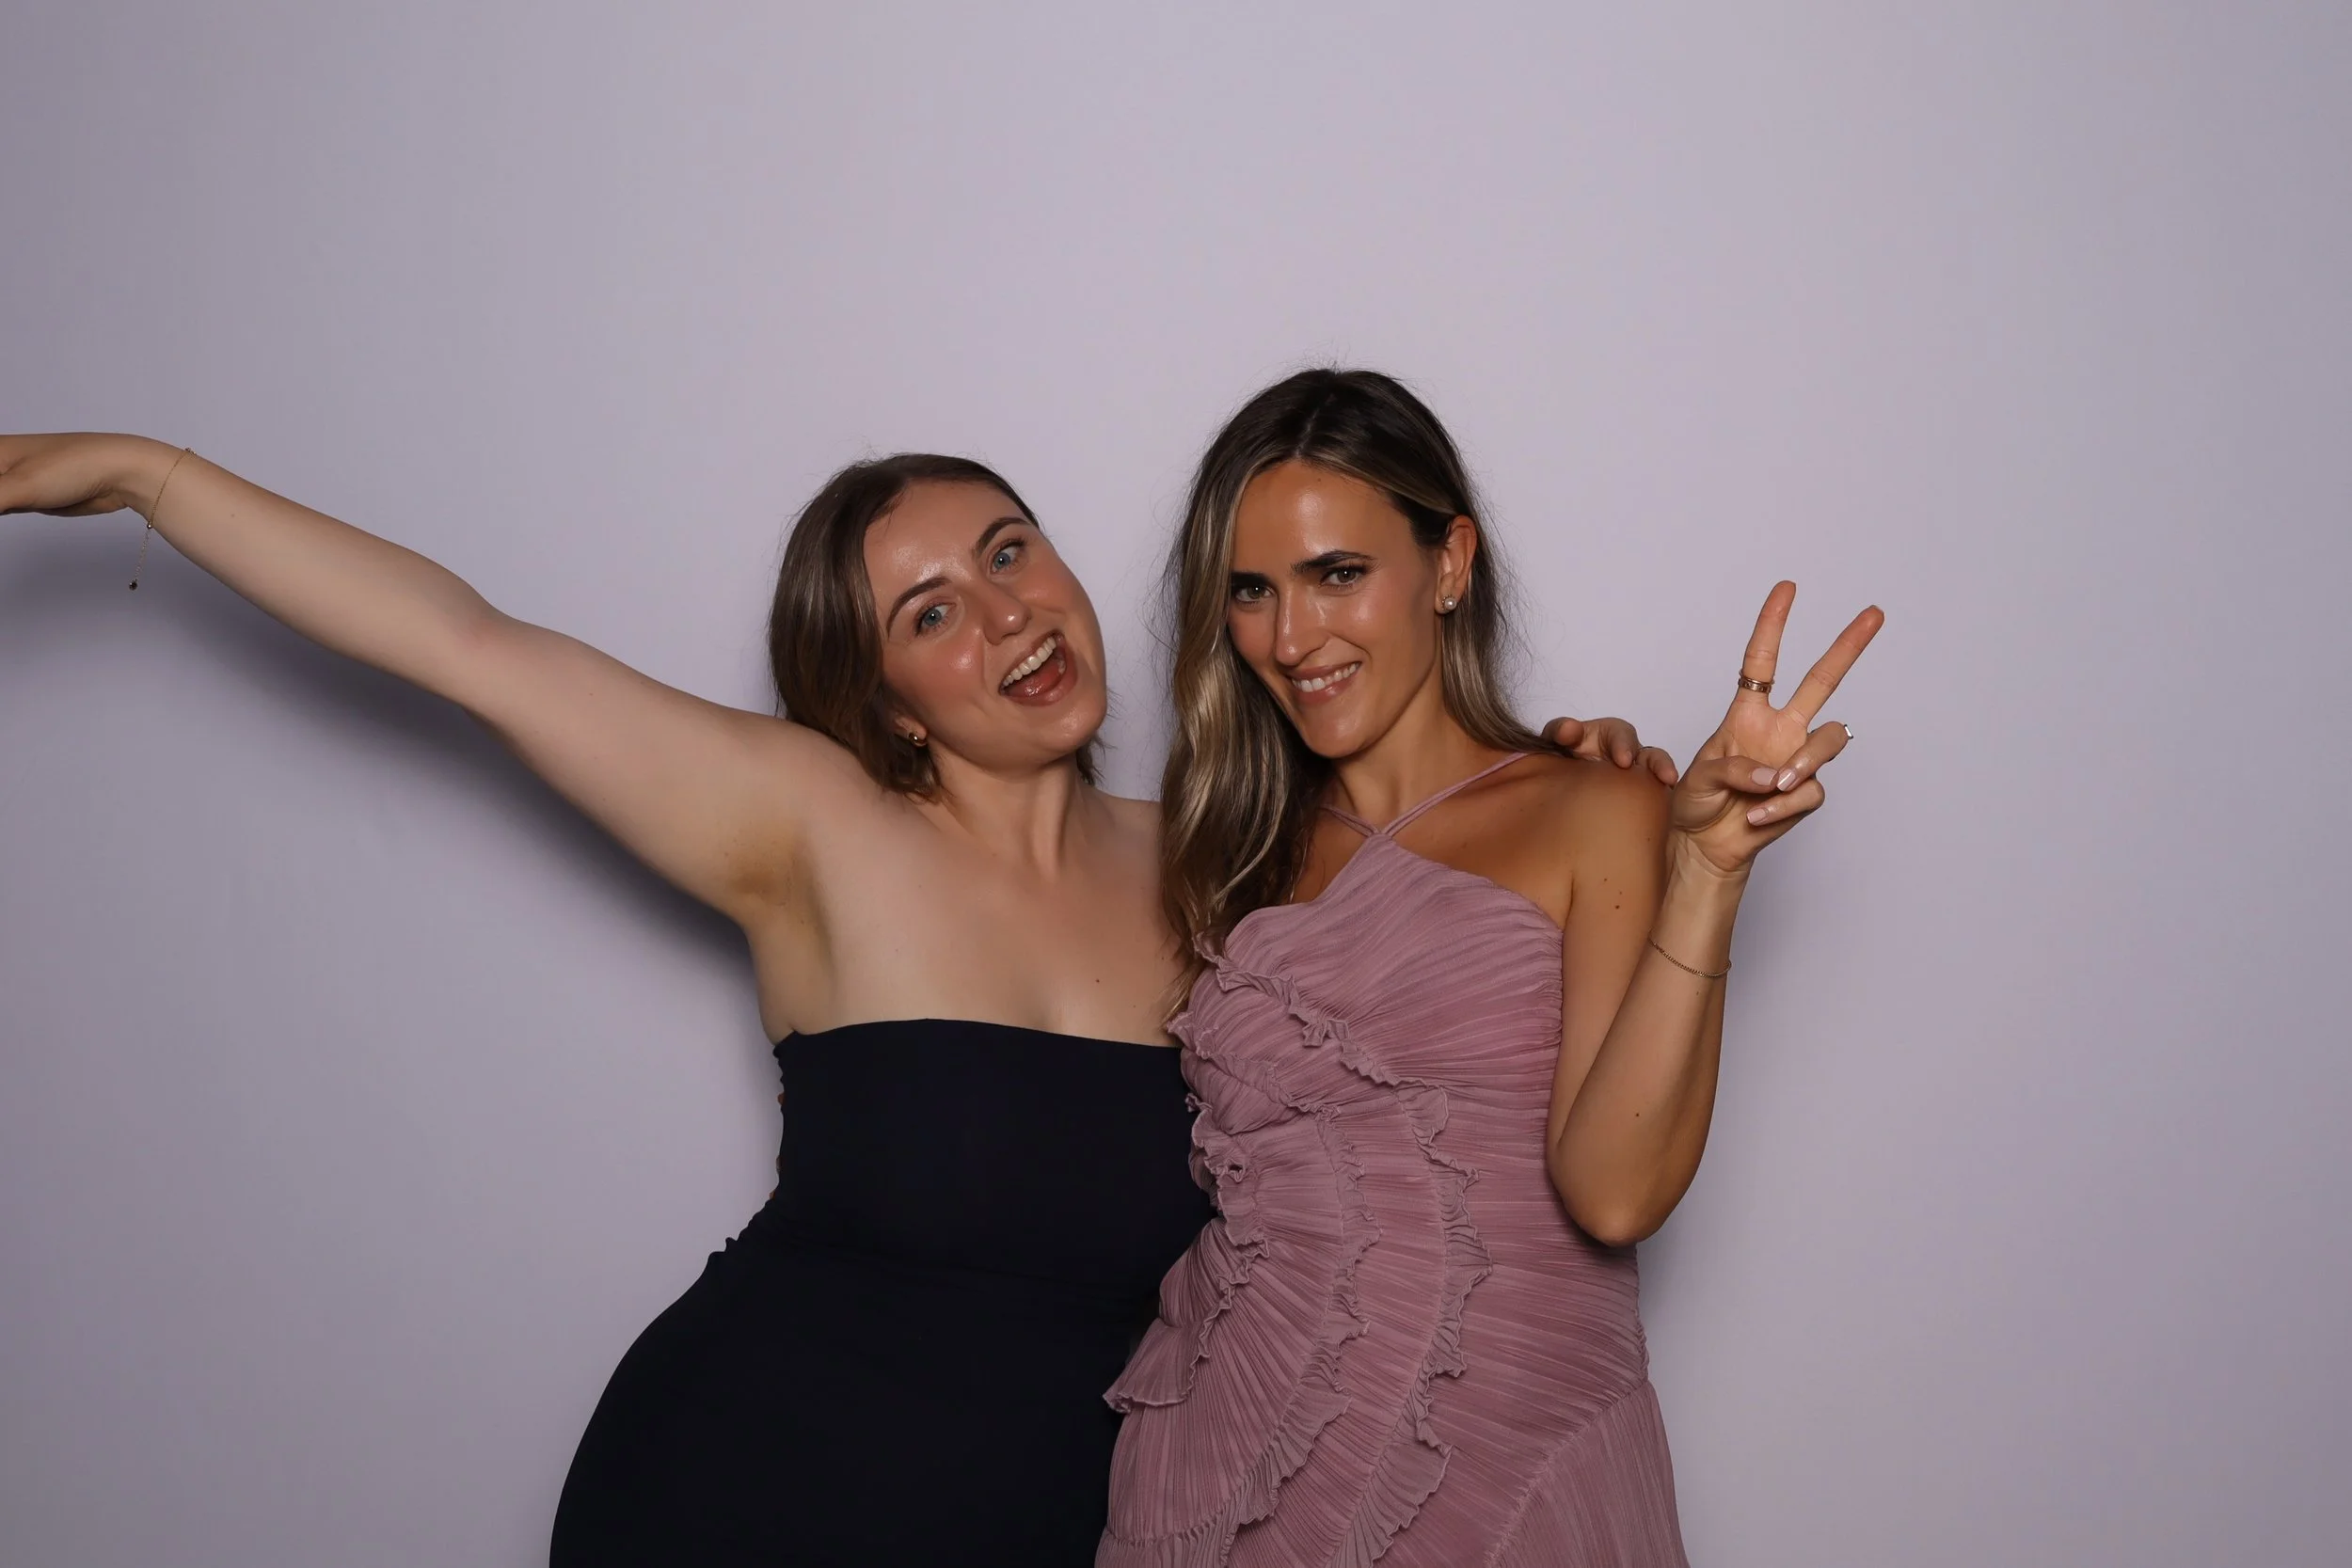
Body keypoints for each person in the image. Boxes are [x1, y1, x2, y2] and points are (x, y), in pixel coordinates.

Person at [0, 431, 1661, 1566]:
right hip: (752, 1489)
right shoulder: (808, 825)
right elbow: (467, 648)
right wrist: (139, 471)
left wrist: (1585, 773)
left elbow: (1468, 885)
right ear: (879, 690)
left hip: (1052, 1528)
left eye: (1013, 552)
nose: (1010, 613)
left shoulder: (1234, 868)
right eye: (932, 610)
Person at [1101, 370, 1883, 1567]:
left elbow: (1614, 1193)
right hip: (1230, 1455)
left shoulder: (1597, 802)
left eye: (1339, 574)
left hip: (1504, 1460)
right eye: (1251, 591)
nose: (1292, 636)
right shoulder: (1228, 854)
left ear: (1449, 563)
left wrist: (1710, 871)